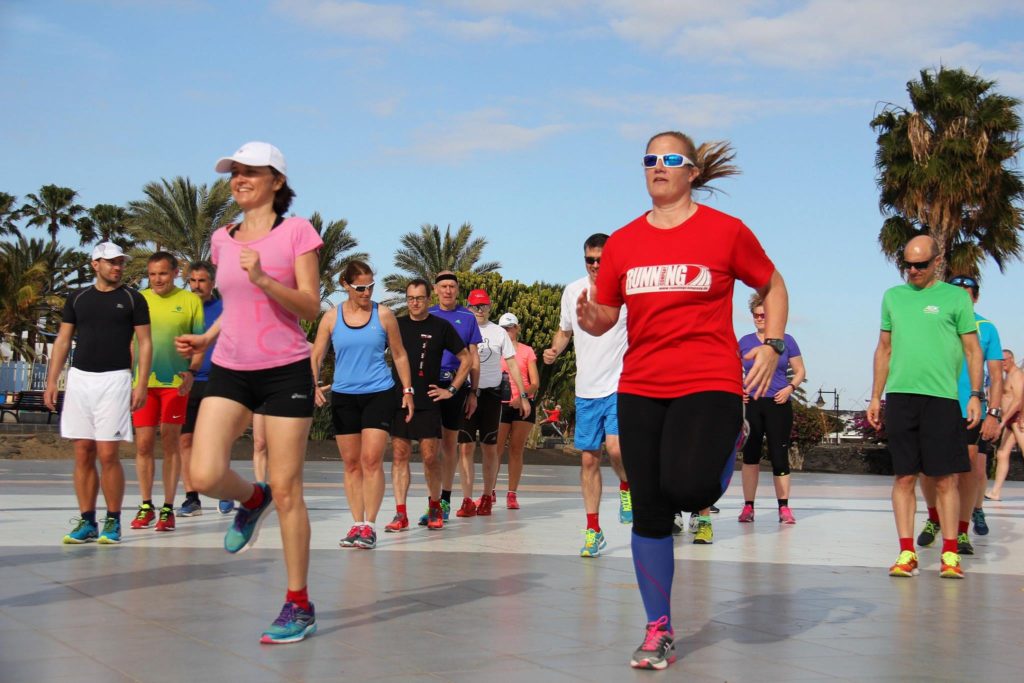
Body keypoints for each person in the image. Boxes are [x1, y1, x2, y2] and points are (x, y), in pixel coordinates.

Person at [577, 132, 786, 670]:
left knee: (691, 489)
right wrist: (591, 317)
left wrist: (772, 343)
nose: (658, 167)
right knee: (649, 509)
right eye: (650, 160)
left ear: (692, 171)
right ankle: (658, 628)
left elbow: (773, 284)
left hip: (708, 381)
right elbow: (606, 314)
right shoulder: (623, 241)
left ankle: (731, 438)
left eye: (671, 159)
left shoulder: (725, 232)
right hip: (641, 385)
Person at [175, 141, 322, 644]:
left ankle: (298, 605)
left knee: (288, 489)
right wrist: (206, 338)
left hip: (285, 370)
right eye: (234, 172)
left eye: (249, 173)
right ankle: (248, 496)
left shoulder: (297, 232)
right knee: (204, 470)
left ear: (276, 182)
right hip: (233, 367)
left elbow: (310, 307)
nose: (238, 180)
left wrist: (263, 278)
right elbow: (235, 307)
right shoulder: (221, 238)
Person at [867, 235, 983, 582]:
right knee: (904, 476)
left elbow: (973, 351)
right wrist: (876, 395)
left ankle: (950, 551)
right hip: (901, 397)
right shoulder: (893, 297)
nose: (912, 270)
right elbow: (884, 348)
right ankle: (906, 552)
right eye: (907, 264)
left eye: (920, 264)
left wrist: (975, 394)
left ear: (937, 262)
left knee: (945, 478)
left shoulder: (954, 298)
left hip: (943, 399)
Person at [46, 242, 152, 545]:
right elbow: (64, 340)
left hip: (115, 379)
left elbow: (145, 343)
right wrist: (53, 381)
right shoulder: (78, 297)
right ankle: (87, 520)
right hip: (80, 379)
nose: (117, 267)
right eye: (111, 262)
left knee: (108, 453)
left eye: (120, 262)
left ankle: (113, 521)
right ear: (96, 264)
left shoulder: (133, 299)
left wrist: (140, 383)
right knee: (83, 452)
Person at [311, 260, 414, 550]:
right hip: (344, 396)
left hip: (379, 393)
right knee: (351, 463)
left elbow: (399, 354)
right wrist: (312, 383)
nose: (367, 292)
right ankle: (356, 522)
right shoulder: (331, 318)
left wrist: (407, 391)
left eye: (370, 286)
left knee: (371, 460)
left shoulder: (384, 315)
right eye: (360, 287)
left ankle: (369, 525)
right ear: (345, 285)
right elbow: (317, 354)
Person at [543, 233, 632, 559]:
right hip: (587, 389)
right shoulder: (572, 290)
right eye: (589, 259)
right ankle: (593, 530)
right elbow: (565, 330)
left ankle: (626, 487)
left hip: (619, 384)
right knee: (588, 459)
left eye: (600, 259)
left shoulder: (625, 291)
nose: (595, 265)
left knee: (616, 448)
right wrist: (554, 349)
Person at [916, 274, 1001, 552]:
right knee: (927, 469)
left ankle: (962, 531)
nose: (961, 297)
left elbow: (997, 377)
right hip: (934, 402)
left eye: (967, 293)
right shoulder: (936, 321)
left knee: (966, 470)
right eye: (956, 292)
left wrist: (994, 413)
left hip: (970, 408)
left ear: (975, 297)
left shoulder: (986, 328)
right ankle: (934, 518)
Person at [384, 279, 471, 531]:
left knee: (431, 457)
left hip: (429, 400)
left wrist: (451, 390)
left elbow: (465, 359)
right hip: (399, 398)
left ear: (427, 299)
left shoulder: (441, 327)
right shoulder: (396, 325)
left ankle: (435, 507)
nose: (414, 302)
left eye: (419, 298)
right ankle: (401, 514)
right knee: (399, 455)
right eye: (410, 298)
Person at [130, 252, 204, 533]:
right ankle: (146, 504)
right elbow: (132, 343)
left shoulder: (189, 301)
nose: (157, 279)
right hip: (144, 384)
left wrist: (192, 372)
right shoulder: (139, 299)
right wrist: (132, 379)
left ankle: (168, 508)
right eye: (152, 274)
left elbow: (199, 344)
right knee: (144, 445)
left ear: (175, 273)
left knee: (171, 443)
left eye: (162, 273)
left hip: (175, 384)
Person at [457, 289, 530, 517]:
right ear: (468, 307)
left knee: (490, 447)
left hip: (491, 394)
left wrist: (523, 396)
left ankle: (487, 497)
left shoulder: (499, 333)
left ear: (490, 307)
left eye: (484, 306)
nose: (480, 311)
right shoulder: (462, 329)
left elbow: (513, 363)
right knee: (466, 447)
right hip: (467, 392)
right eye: (475, 306)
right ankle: (467, 499)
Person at [737, 293, 806, 525]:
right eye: (756, 315)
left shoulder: (786, 340)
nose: (759, 319)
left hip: (778, 403)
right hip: (752, 404)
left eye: (764, 314)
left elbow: (800, 371)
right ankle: (748, 507)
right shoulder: (745, 342)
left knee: (779, 457)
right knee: (750, 457)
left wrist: (790, 388)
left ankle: (784, 507)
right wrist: (739, 389)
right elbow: (732, 370)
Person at [424, 272, 481, 523]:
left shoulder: (468, 317)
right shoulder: (428, 314)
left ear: (458, 290)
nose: (447, 290)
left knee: (449, 446)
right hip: (429, 386)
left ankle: (445, 500)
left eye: (452, 286)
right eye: (443, 286)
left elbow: (473, 357)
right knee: (429, 448)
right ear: (436, 290)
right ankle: (432, 503)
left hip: (456, 387)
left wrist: (473, 393)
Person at [178, 261, 224, 517]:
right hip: (186, 382)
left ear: (212, 283)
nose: (196, 286)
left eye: (202, 281)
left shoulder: (224, 309)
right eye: (192, 281)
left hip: (217, 381)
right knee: (185, 440)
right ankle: (191, 497)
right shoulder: (181, 309)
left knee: (217, 441)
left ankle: (224, 488)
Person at [495, 312, 540, 509]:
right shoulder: (494, 351)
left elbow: (535, 382)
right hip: (500, 404)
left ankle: (512, 494)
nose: (508, 331)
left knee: (515, 449)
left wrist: (521, 398)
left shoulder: (527, 351)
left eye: (511, 327)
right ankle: (490, 491)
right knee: (494, 450)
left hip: (523, 404)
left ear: (517, 328)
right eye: (504, 328)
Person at [986, 349, 1024, 500]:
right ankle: (995, 492)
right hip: (1010, 420)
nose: (1002, 363)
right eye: (1000, 360)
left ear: (1012, 359)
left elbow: (1018, 400)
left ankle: (995, 491)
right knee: (1002, 454)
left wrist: (1002, 424)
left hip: (1017, 419)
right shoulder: (1007, 376)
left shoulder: (1017, 375)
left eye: (1004, 360)